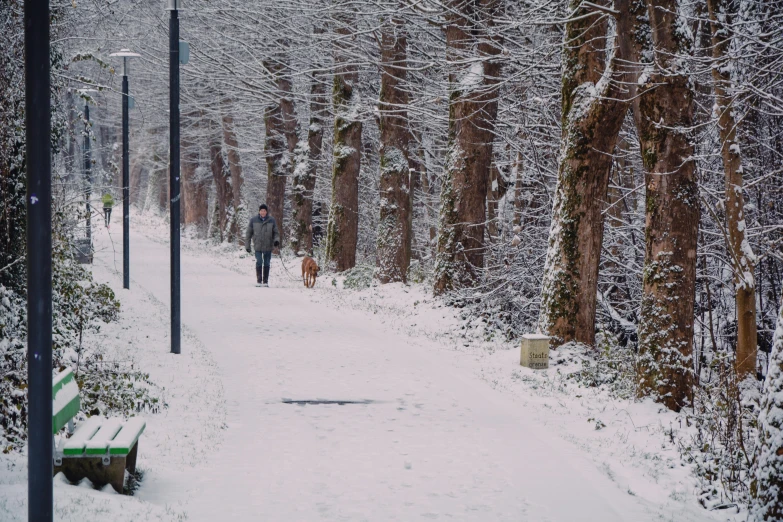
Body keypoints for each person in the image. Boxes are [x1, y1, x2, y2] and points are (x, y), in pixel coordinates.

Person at [245, 204, 280, 287]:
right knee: (259, 262)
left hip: (268, 246)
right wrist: (247, 246)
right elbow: (248, 234)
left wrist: (276, 241)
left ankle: (265, 281)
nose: (263, 212)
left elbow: (276, 232)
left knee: (267, 263)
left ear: (266, 212)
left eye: (264, 211)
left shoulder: (272, 220)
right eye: (261, 211)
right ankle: (259, 280)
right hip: (258, 245)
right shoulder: (253, 220)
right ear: (259, 211)